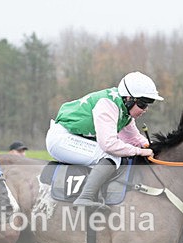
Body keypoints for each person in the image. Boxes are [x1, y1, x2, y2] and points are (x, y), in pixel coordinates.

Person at [46, 71, 159, 207]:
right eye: (142, 104)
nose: (145, 109)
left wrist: (152, 147)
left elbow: (133, 138)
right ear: (129, 98)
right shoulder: (108, 105)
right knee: (111, 156)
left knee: (118, 155)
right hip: (61, 139)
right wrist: (139, 152)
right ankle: (85, 197)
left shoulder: (124, 110)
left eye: (148, 104)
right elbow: (109, 144)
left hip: (73, 138)